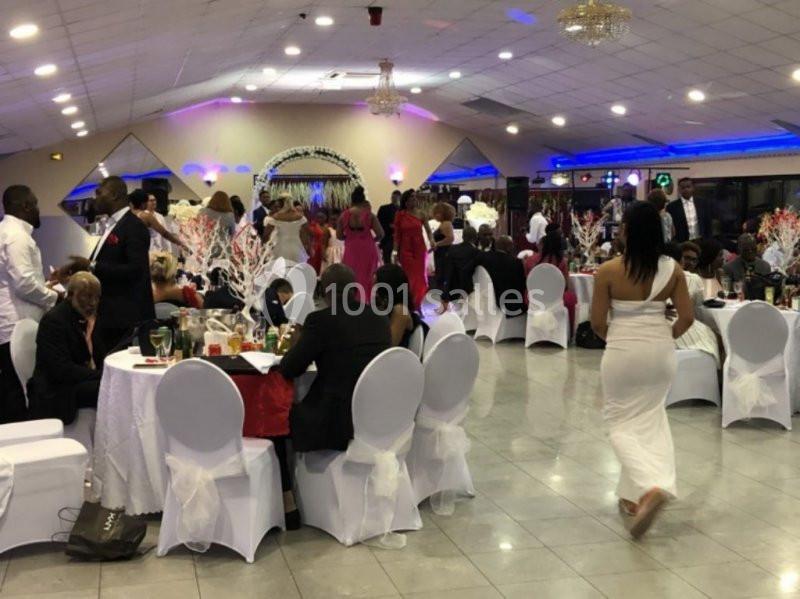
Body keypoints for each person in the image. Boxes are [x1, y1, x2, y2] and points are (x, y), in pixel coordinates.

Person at [591, 202, 693, 538]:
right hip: (660, 352)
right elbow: (687, 318)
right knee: (651, 418)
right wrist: (662, 336)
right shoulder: (673, 269)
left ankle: (651, 487)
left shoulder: (609, 270)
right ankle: (632, 495)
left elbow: (597, 323)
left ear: (628, 232)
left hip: (623, 352)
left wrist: (620, 338)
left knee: (619, 422)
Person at [281, 264, 391, 452]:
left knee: (283, 415)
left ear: (325, 292)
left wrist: (296, 338)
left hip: (334, 420)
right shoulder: (380, 318)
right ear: (355, 290)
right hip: (376, 413)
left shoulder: (320, 320)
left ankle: (287, 469)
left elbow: (290, 368)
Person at [80, 176, 154, 364]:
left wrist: (93, 266)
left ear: (113, 195)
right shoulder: (113, 225)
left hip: (124, 319)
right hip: (109, 315)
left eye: (99, 193)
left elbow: (135, 270)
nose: (95, 198)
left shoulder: (134, 226)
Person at [0, 185, 59, 423]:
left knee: (12, 391)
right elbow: (24, 284)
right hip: (16, 324)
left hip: (11, 323)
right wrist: (55, 297)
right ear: (25, 206)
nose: (38, 210)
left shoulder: (6, 231)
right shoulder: (17, 236)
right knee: (18, 395)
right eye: (35, 204)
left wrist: (45, 284)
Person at [28, 272, 102, 424]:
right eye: (87, 296)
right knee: (110, 388)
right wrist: (100, 375)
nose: (93, 303)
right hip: (57, 391)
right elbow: (62, 370)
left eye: (97, 297)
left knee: (114, 385)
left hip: (75, 381)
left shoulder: (86, 318)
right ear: (71, 295)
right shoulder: (54, 321)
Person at [663, 244, 721, 368]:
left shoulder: (645, 276)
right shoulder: (692, 278)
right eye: (687, 258)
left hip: (652, 329)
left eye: (694, 260)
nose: (690, 263)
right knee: (714, 334)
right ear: (681, 260)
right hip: (675, 329)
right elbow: (697, 311)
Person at [523, 223, 578, 332]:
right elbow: (565, 286)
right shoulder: (561, 262)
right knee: (572, 297)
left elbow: (527, 281)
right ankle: (569, 331)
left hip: (533, 299)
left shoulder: (529, 260)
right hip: (555, 300)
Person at [338, 186, 383, 301]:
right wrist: (372, 240)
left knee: (351, 274)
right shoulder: (370, 215)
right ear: (363, 201)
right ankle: (366, 300)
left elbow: (339, 236)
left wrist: (349, 237)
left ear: (352, 201)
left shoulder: (344, 215)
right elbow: (381, 234)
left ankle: (353, 300)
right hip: (367, 248)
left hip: (351, 249)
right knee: (367, 275)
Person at [393, 189, 432, 309]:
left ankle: (418, 304)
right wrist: (395, 252)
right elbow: (397, 235)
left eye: (415, 197)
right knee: (409, 277)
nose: (414, 199)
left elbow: (428, 231)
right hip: (405, 249)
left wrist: (432, 240)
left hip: (420, 248)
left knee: (420, 277)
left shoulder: (421, 214)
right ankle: (409, 304)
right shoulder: (400, 215)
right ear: (406, 200)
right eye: (411, 197)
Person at [374, 264, 425, 348]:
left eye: (377, 286)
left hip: (397, 355)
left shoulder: (400, 311)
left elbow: (390, 345)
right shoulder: (386, 305)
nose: (374, 291)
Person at [476, 235, 526, 317]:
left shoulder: (484, 258)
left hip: (487, 301)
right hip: (509, 304)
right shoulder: (515, 263)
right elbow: (521, 284)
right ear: (509, 247)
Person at [439, 226, 480, 313]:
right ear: (475, 238)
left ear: (462, 236)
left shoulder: (452, 249)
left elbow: (446, 269)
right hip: (468, 290)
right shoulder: (476, 252)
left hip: (450, 287)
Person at [264, 194, 311, 264]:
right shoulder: (300, 217)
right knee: (296, 267)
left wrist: (265, 246)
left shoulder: (276, 217)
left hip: (280, 246)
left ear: (281, 204)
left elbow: (266, 234)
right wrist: (308, 247)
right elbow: (306, 235)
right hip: (297, 247)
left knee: (280, 267)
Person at [666, 177, 712, 242]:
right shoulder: (672, 207)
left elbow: (708, 223)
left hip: (701, 240)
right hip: (682, 242)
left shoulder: (702, 203)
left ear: (693, 188)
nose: (686, 189)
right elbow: (670, 227)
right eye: (683, 188)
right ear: (679, 190)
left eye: (688, 187)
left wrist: (708, 239)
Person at [431, 202, 456, 292]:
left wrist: (437, 244)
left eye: (437, 213)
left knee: (442, 274)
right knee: (441, 274)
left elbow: (450, 239)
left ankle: (443, 294)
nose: (435, 215)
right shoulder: (444, 223)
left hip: (444, 253)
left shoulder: (446, 224)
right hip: (441, 253)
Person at [377, 190, 401, 265]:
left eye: (396, 197)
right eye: (393, 197)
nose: (394, 199)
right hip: (388, 238)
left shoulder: (403, 210)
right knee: (387, 258)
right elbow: (379, 223)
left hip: (399, 238)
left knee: (397, 258)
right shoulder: (384, 209)